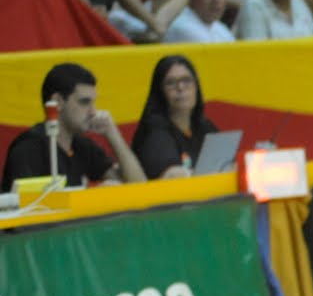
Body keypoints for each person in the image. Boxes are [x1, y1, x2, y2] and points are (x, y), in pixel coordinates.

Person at [2, 63, 147, 192]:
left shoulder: (81, 145)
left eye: (93, 103)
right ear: (58, 102)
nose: (93, 111)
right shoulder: (28, 148)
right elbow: (29, 207)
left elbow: (139, 187)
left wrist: (113, 134)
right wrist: (89, 197)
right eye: (84, 102)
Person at [131, 54, 223, 178]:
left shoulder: (204, 126)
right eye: (170, 83)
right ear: (160, 91)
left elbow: (226, 163)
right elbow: (172, 176)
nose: (180, 88)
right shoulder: (155, 132)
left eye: (186, 80)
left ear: (196, 86)